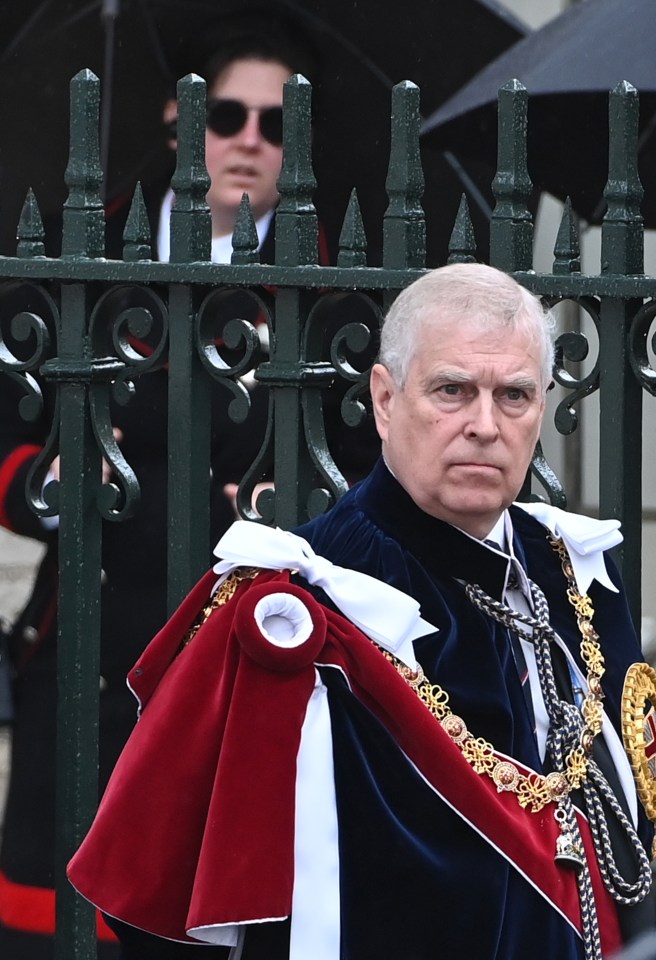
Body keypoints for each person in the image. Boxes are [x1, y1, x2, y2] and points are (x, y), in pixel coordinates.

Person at [66, 262, 656, 959]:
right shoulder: (292, 612)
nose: (485, 425)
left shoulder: (578, 572)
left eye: (515, 395)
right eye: (452, 390)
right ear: (384, 399)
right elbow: (172, 909)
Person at [0, 15, 377, 960]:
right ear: (181, 118)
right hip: (90, 645)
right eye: (230, 114)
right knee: (63, 922)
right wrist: (52, 477)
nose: (251, 139)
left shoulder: (334, 291)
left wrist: (305, 509)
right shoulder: (76, 258)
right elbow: (9, 439)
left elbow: (367, 470)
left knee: (219, 921)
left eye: (279, 123)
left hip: (252, 656)